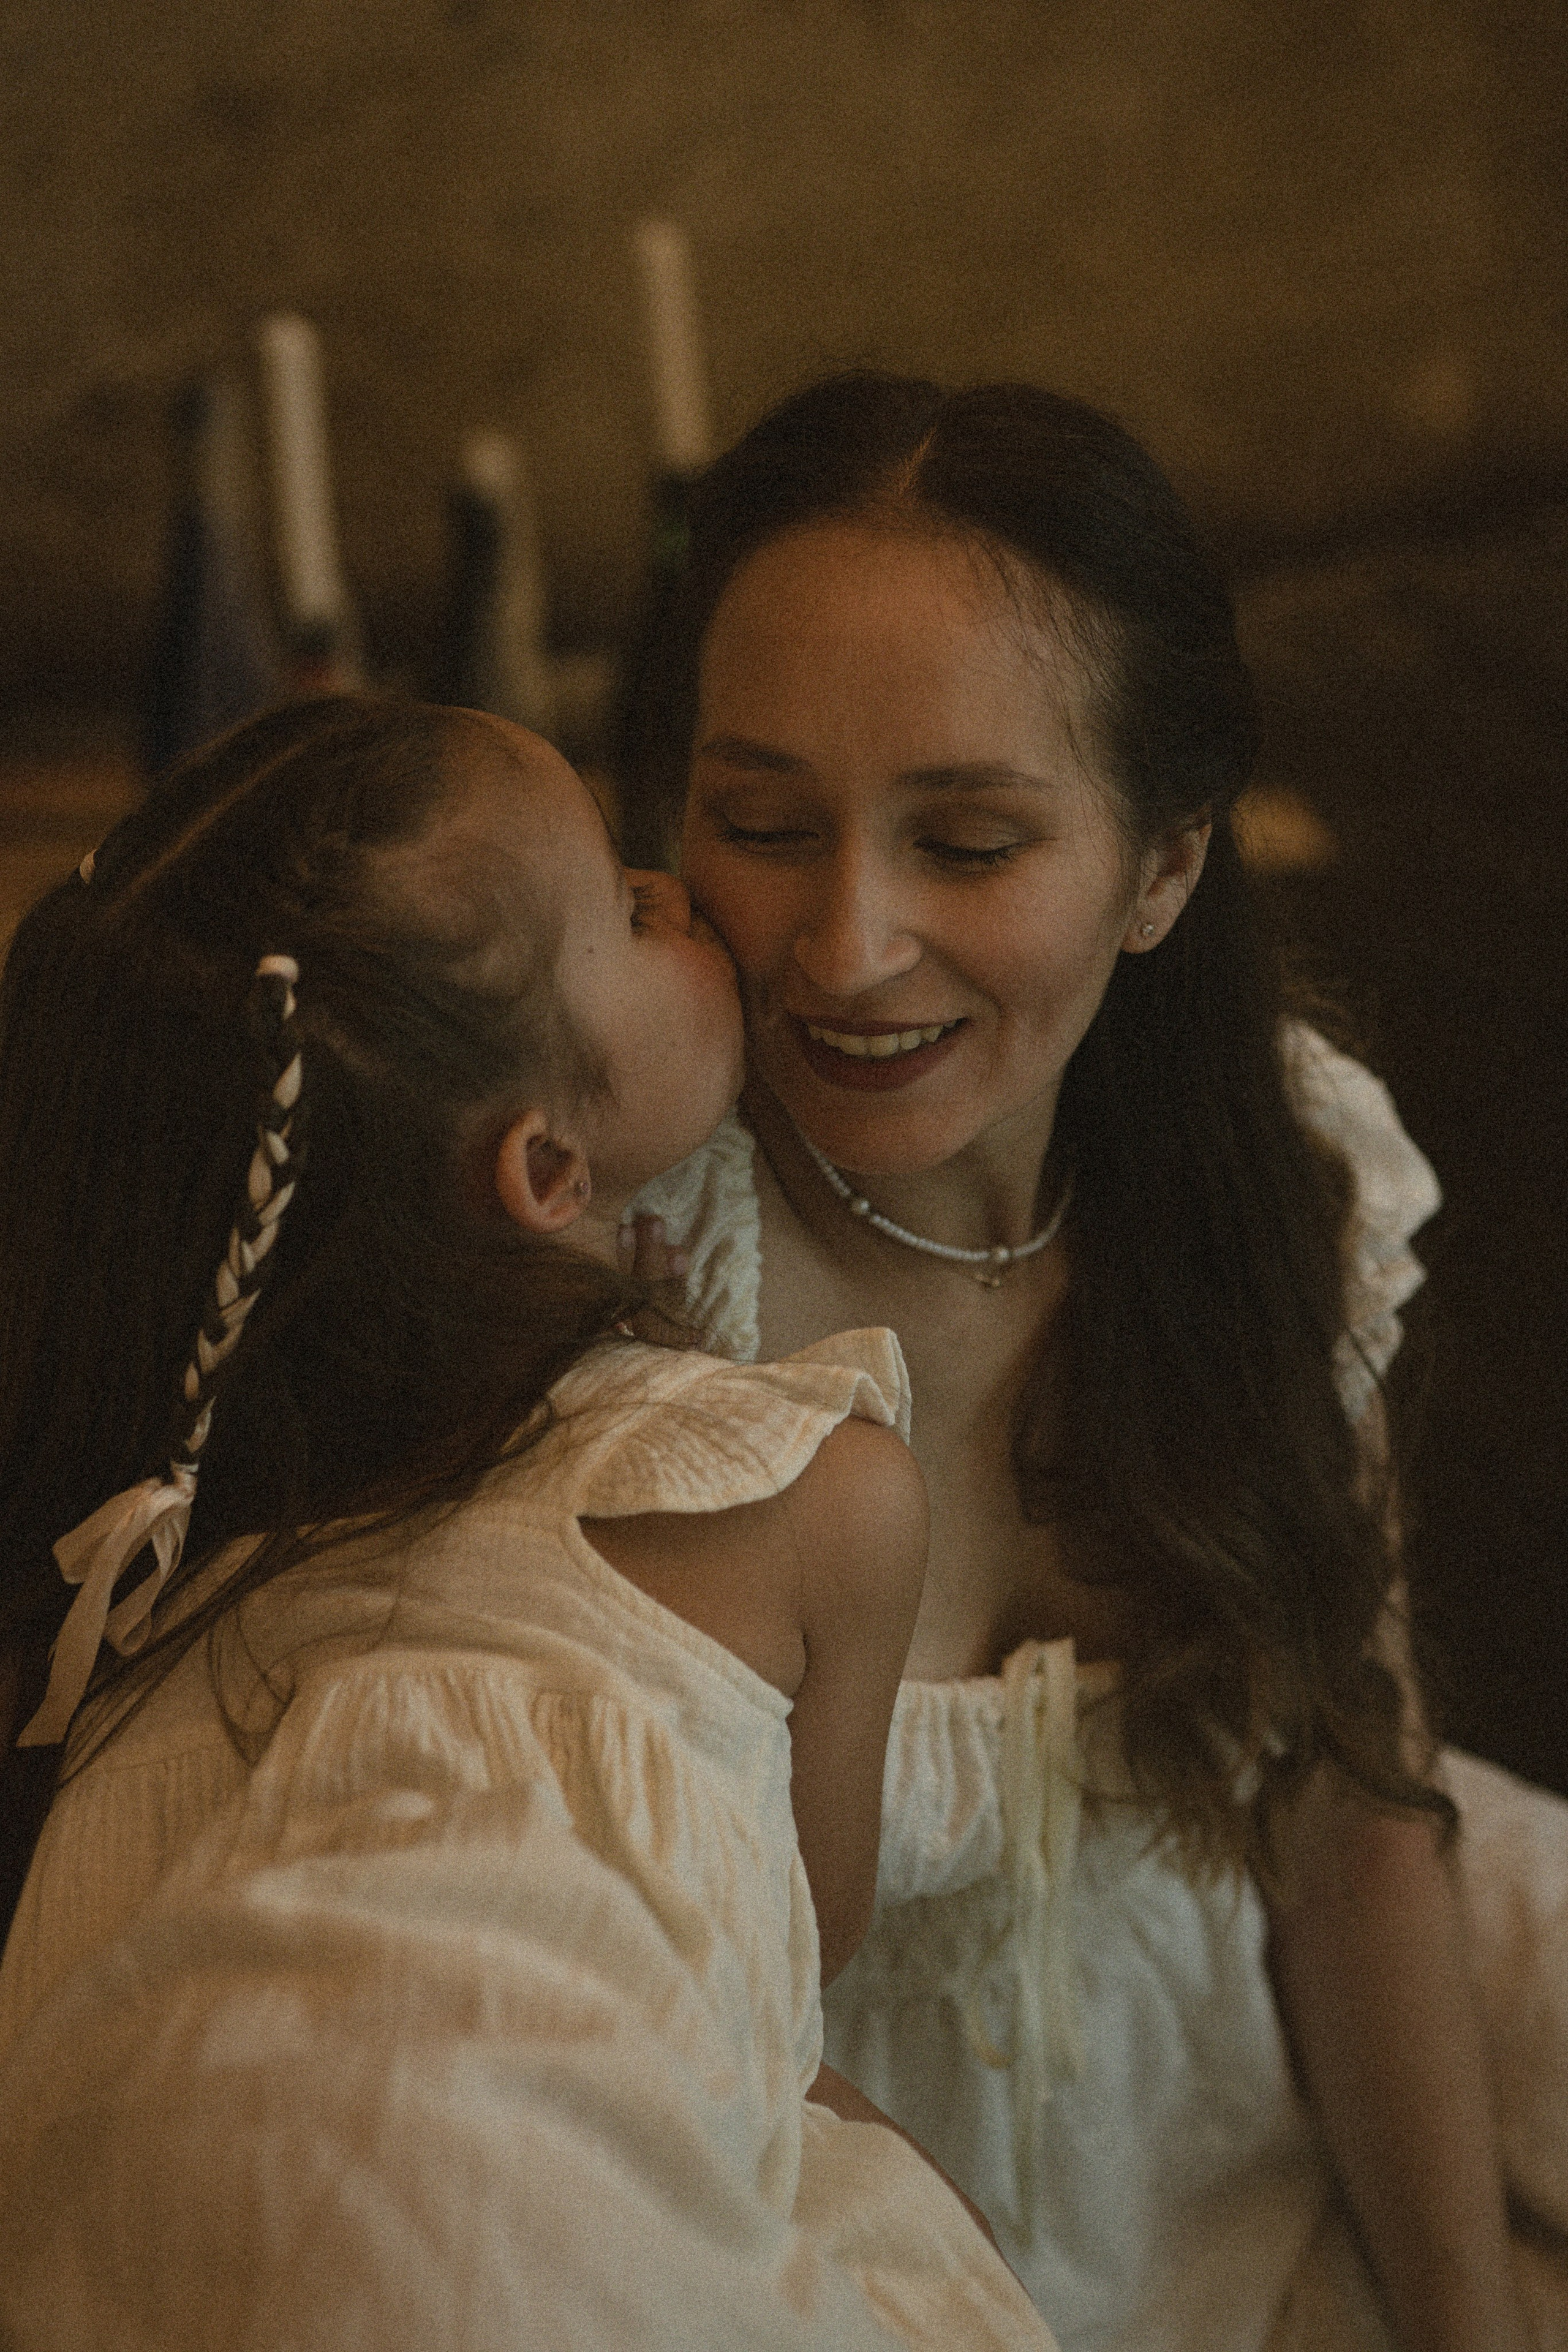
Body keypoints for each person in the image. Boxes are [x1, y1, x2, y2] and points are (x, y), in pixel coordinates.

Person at [622, 372, 1568, 2352]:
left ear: (1163, 868)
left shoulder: (1270, 1186)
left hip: (1223, 2187)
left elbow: (1355, 1842)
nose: (846, 942)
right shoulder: (635, 1268)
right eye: (765, 823)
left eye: (966, 840)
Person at [0, 695, 1052, 2351]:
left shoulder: (145, 1569)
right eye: (630, 910)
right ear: (550, 1170)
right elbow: (792, 1952)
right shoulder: (799, 1489)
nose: (680, 892)